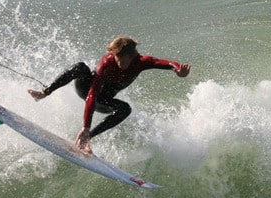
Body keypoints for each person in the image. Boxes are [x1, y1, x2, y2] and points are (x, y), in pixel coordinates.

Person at [28, 36, 191, 154]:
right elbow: (92, 93)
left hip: (104, 100)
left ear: (131, 56)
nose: (116, 62)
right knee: (80, 67)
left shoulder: (141, 62)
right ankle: (44, 93)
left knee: (125, 109)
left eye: (120, 60)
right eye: (115, 58)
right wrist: (85, 125)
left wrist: (177, 69)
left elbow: (164, 63)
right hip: (87, 89)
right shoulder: (107, 63)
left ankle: (88, 139)